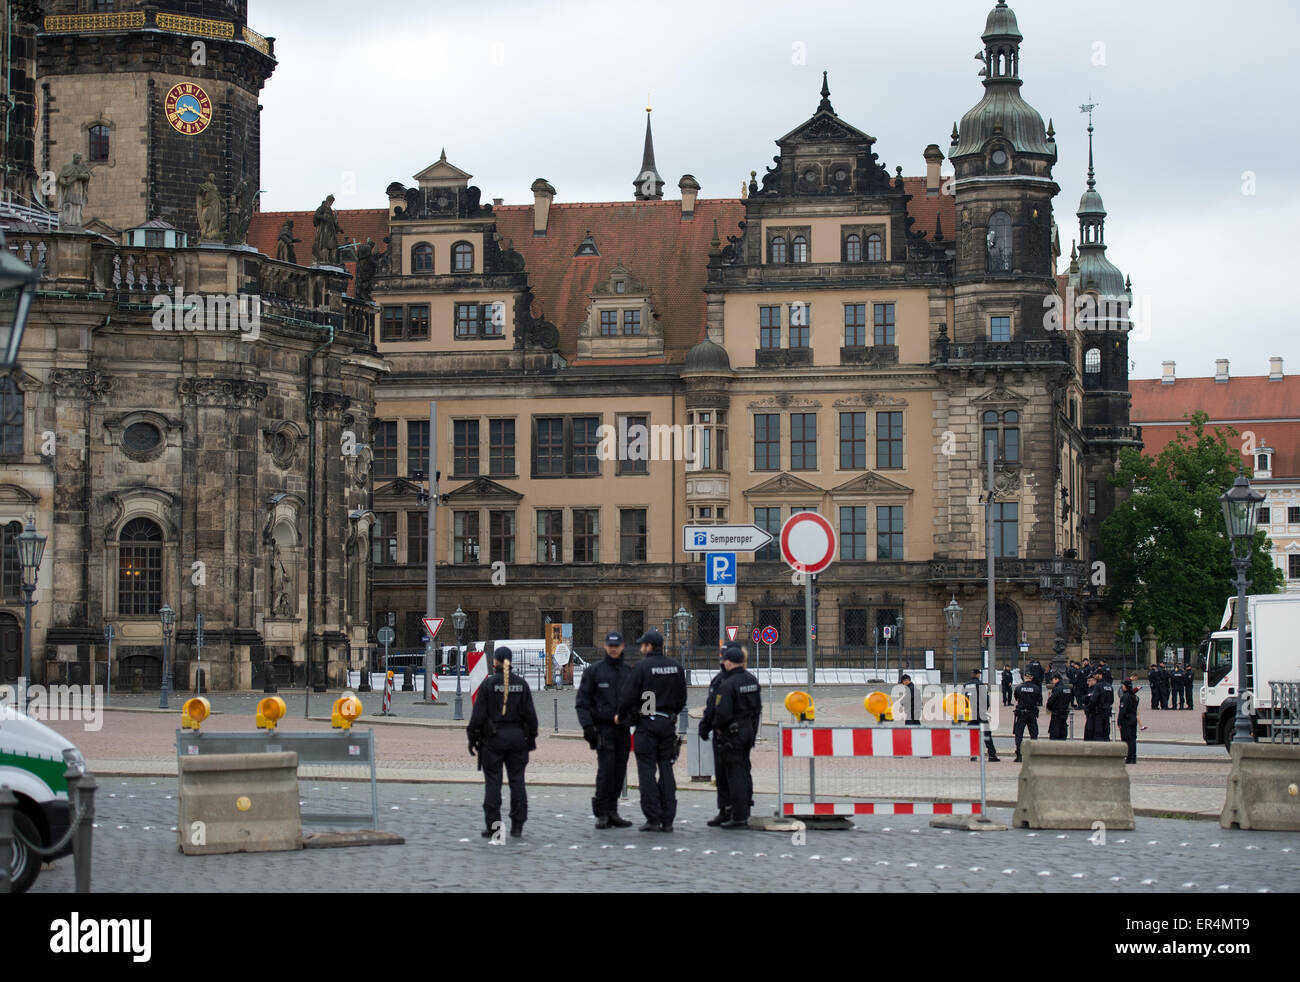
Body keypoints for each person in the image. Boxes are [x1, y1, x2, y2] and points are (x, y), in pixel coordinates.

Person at [616, 629, 686, 832]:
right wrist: (672, 713)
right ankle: (668, 818)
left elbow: (628, 697)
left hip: (646, 724)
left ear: (649, 647)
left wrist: (622, 716)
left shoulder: (641, 667)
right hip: (667, 723)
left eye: (642, 645)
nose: (640, 648)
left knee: (646, 772)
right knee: (666, 769)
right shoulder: (676, 667)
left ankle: (653, 817)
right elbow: (682, 698)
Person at [467, 646, 538, 839]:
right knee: (517, 783)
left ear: (495, 662)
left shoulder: (489, 685)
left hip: (493, 739)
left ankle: (495, 827)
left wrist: (472, 738)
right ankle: (517, 826)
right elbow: (531, 716)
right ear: (511, 661)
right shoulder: (521, 684)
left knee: (493, 784)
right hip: (517, 738)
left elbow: (478, 715)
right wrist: (531, 739)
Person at [574, 631, 633, 829]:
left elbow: (637, 702)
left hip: (622, 730)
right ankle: (601, 813)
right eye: (611, 646)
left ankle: (613, 810)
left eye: (617, 646)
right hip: (603, 729)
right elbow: (582, 702)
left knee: (619, 772)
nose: (614, 649)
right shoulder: (594, 672)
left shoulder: (628, 672)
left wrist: (630, 718)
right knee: (605, 772)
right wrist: (588, 727)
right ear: (606, 647)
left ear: (622, 646)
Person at [711, 644, 762, 828]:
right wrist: (753, 731)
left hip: (732, 734)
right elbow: (757, 709)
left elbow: (721, 713)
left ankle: (738, 814)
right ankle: (743, 809)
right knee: (743, 770)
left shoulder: (727, 683)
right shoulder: (752, 680)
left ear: (729, 662)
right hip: (747, 729)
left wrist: (716, 727)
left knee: (734, 774)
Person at [700, 644, 734, 826]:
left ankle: (735, 810)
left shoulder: (729, 681)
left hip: (728, 734)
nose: (722, 658)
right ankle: (726, 809)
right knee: (722, 774)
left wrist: (710, 726)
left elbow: (717, 709)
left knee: (733, 774)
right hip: (728, 733)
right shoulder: (721, 679)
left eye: (725, 655)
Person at [965, 669, 1000, 761]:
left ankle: (973, 754)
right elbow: (986, 699)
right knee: (986, 734)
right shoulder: (980, 684)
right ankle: (992, 755)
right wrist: (984, 709)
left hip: (971, 713)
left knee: (972, 733)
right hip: (980, 712)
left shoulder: (966, 685)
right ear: (978, 675)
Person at [1012, 673, 1041, 762]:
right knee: (1034, 734)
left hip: (1021, 713)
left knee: (1019, 734)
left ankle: (1019, 755)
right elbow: (1038, 699)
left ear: (1024, 678)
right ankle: (1033, 754)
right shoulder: (1036, 688)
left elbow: (1016, 697)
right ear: (1031, 678)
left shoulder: (1019, 687)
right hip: (1032, 713)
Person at [1117, 678, 1139, 763]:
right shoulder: (1135, 697)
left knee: (1127, 739)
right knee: (1133, 739)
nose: (1122, 687)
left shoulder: (1125, 697)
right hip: (1133, 719)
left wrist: (1119, 721)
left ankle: (1129, 757)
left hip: (1126, 720)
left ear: (1126, 687)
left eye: (1123, 685)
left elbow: (1122, 710)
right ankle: (1133, 757)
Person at [1046, 672, 1072, 740]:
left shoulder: (1057, 689)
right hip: (1065, 713)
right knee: (1063, 733)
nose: (1052, 682)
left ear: (1057, 679)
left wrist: (1051, 708)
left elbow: (1050, 701)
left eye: (1053, 680)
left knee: (1055, 733)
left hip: (1056, 713)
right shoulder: (1068, 689)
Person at [1083, 674, 1102, 740]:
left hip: (1093, 714)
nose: (1087, 683)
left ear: (1094, 681)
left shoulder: (1096, 689)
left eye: (1089, 681)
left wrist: (1088, 708)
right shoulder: (1090, 689)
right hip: (1090, 715)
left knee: (1091, 733)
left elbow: (1092, 700)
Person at [1096, 671, 1114, 740]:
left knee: (1099, 730)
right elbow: (1112, 700)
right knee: (1106, 729)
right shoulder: (1109, 686)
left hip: (1099, 710)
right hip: (1107, 710)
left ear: (1100, 675)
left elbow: (1094, 699)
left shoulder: (1098, 686)